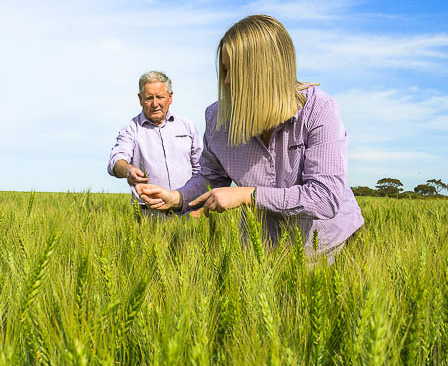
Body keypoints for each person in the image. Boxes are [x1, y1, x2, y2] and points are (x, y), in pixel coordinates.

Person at [138, 15, 364, 258]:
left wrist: (247, 194)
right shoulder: (218, 118)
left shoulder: (318, 110)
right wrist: (177, 197)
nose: (225, 81)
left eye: (233, 71)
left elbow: (324, 198)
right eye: (224, 70)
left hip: (332, 248)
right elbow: (211, 177)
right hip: (263, 252)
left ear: (265, 72)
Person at [107, 70, 201, 216]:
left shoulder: (187, 126)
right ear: (140, 99)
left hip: (187, 209)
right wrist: (128, 170)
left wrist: (198, 206)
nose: (155, 104)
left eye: (160, 97)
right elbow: (116, 160)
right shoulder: (131, 129)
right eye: (149, 98)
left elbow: (200, 169)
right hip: (149, 214)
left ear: (170, 97)